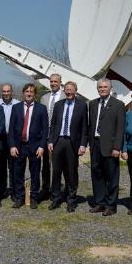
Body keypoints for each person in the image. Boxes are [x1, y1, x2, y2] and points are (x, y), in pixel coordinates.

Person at [47, 81, 87, 213]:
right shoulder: (59, 105)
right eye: (67, 90)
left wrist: (82, 144)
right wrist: (51, 141)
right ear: (64, 91)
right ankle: (56, 198)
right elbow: (53, 125)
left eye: (71, 90)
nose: (69, 92)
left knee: (71, 172)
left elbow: (84, 127)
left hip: (72, 143)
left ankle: (71, 200)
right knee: (56, 171)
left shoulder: (82, 106)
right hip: (58, 141)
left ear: (76, 91)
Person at [87, 79, 126, 216]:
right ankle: (100, 202)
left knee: (111, 176)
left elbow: (120, 128)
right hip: (95, 145)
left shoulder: (118, 105)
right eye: (100, 87)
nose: (102, 89)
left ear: (110, 88)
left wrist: (117, 147)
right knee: (96, 174)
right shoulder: (92, 104)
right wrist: (89, 144)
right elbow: (90, 125)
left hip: (110, 147)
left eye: (105, 87)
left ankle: (111, 205)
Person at [9, 83, 48, 209]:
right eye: (27, 91)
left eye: (31, 91)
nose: (29, 93)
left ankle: (34, 198)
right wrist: (12, 146)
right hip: (19, 146)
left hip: (35, 146)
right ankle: (20, 197)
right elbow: (11, 128)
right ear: (23, 93)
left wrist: (42, 146)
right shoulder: (16, 107)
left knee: (35, 172)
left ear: (35, 94)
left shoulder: (41, 108)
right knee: (18, 172)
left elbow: (45, 129)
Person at [39, 73, 65, 200]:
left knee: (58, 164)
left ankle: (57, 189)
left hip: (60, 135)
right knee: (45, 164)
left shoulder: (66, 96)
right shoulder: (44, 98)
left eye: (55, 81)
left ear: (60, 82)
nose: (53, 83)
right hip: (45, 134)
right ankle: (45, 188)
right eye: (51, 81)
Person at [0, 83, 20, 200]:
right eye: (4, 91)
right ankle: (2, 190)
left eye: (8, 91)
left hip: (13, 138)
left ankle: (14, 191)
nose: (5, 93)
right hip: (0, 138)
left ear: (11, 91)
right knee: (0, 166)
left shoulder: (18, 104)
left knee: (13, 166)